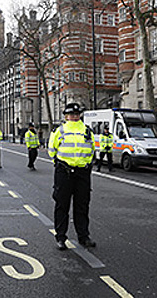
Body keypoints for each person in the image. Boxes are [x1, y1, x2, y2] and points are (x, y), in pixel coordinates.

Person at [48, 102, 96, 250]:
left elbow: (92, 149)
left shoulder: (87, 131)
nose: (74, 117)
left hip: (82, 172)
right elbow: (52, 150)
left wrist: (86, 164)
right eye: (71, 115)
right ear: (65, 116)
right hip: (64, 172)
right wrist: (62, 164)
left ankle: (84, 236)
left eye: (76, 115)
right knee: (62, 205)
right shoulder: (60, 130)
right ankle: (61, 237)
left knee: (82, 206)